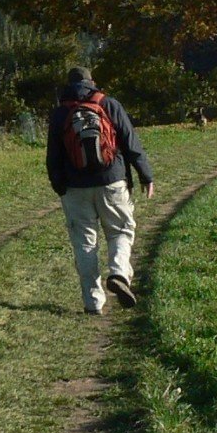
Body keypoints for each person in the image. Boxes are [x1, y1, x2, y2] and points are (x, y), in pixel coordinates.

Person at [47, 65, 154, 314]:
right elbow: (130, 142)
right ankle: (118, 273)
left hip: (75, 187)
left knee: (85, 243)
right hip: (112, 181)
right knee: (120, 232)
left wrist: (60, 186)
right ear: (91, 81)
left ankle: (93, 302)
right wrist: (145, 175)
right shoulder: (108, 103)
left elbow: (53, 155)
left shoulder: (61, 113)